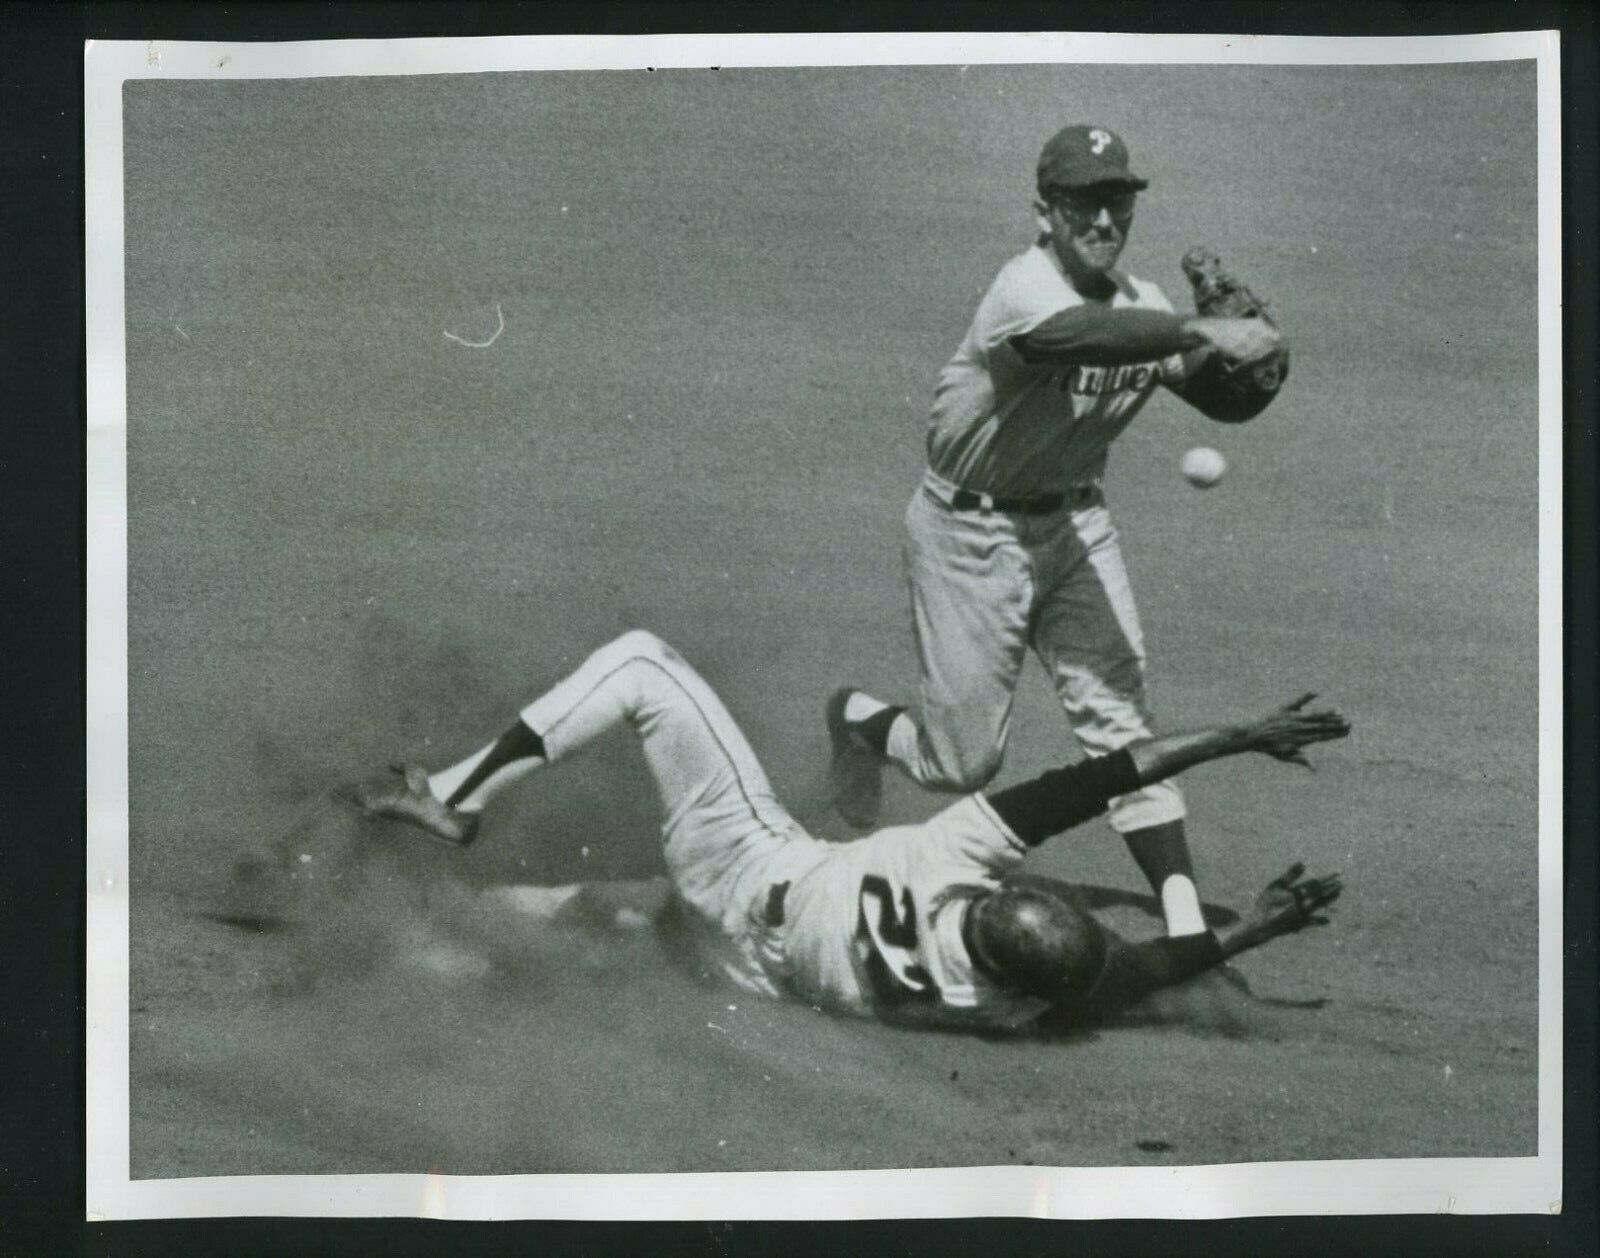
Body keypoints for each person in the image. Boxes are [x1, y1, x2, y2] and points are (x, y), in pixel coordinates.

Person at [358, 630, 1347, 1031]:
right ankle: (403, 940)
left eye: (1022, 896)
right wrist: (1254, 927)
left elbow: (1107, 774)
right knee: (615, 921)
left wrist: (1239, 737)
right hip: (750, 965)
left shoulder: (953, 856)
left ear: (992, 904)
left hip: (747, 867)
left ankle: (455, 801)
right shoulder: (1004, 1009)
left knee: (644, 665)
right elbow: (1144, 971)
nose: (1035, 888)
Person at [826, 124, 1288, 945]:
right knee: (960, 766)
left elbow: (1224, 402)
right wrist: (1197, 330)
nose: (1104, 222)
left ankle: (1185, 929)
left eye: (1117, 202)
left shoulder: (1144, 306)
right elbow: (1069, 337)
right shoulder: (1022, 290)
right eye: (1084, 204)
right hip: (968, 535)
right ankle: (861, 721)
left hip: (1076, 527)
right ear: (1045, 211)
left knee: (1121, 722)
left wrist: (1255, 365)